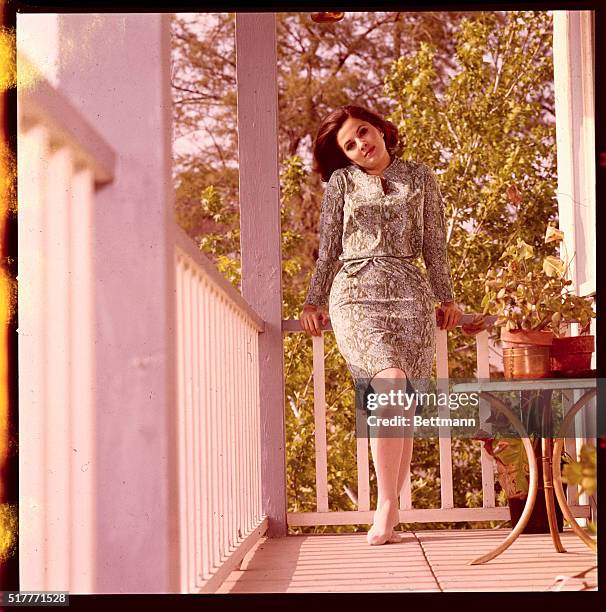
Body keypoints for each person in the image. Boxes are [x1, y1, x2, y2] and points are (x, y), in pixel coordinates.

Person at [300, 105, 486, 546]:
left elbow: (434, 244)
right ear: (345, 156)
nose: (360, 144)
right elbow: (328, 248)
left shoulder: (420, 177)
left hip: (410, 293)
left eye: (362, 132)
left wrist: (447, 298)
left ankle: (392, 506)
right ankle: (386, 504)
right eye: (349, 144)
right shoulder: (342, 184)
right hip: (356, 293)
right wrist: (313, 300)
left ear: (380, 129)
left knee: (400, 397)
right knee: (390, 382)